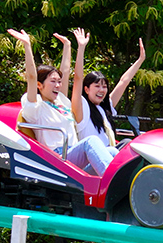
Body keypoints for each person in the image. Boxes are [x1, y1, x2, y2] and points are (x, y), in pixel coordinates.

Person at [7, 28, 116, 176]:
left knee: (112, 151)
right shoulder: (35, 105)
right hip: (56, 158)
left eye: (59, 82)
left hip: (71, 155)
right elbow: (32, 77)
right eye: (53, 82)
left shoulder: (61, 101)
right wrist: (27, 45)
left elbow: (65, 71)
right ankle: (110, 181)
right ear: (40, 85)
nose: (58, 85)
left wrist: (68, 46)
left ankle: (125, 187)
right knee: (91, 141)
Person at [75, 38, 146, 147]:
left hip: (110, 154)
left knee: (130, 144)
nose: (101, 90)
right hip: (92, 158)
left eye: (104, 87)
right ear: (86, 89)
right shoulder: (82, 108)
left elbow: (123, 82)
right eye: (97, 86)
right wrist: (81, 48)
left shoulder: (104, 107)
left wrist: (140, 60)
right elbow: (78, 79)